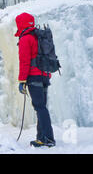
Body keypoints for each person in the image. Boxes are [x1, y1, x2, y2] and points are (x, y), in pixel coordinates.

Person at [15, 12, 56, 147]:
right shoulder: (38, 36)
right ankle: (41, 137)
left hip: (34, 77)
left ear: (20, 24)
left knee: (39, 107)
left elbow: (25, 61)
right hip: (44, 75)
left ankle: (48, 139)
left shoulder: (25, 39)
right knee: (41, 107)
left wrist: (22, 81)